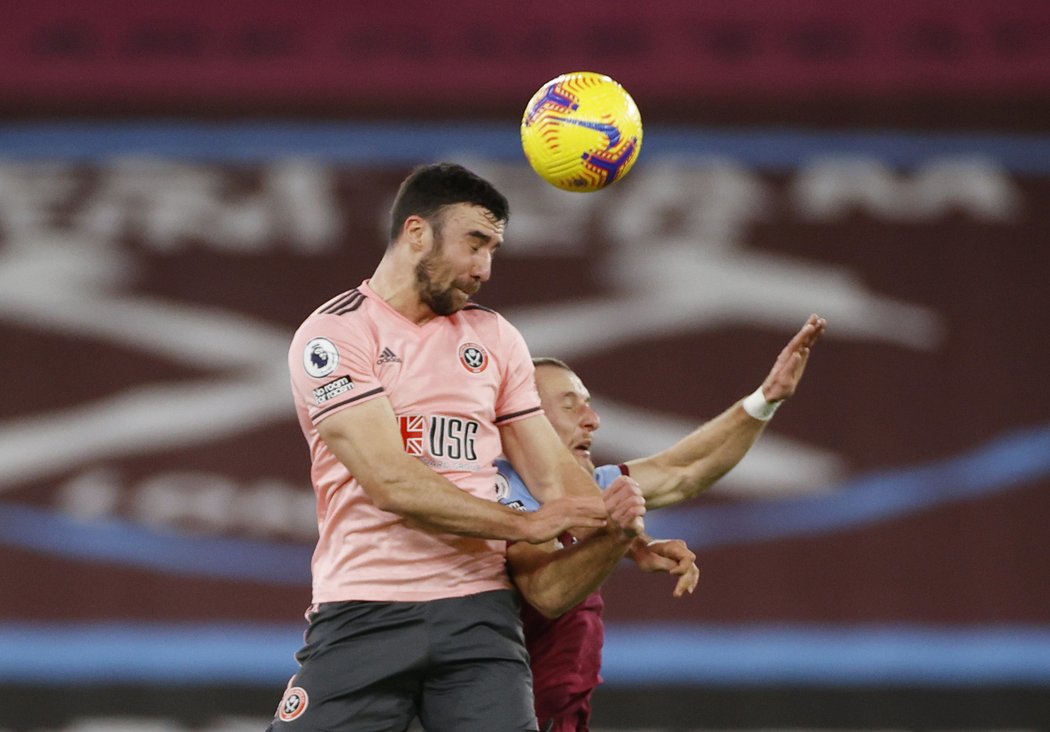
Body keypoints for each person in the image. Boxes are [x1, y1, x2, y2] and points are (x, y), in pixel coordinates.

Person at [270, 163, 632, 732]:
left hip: (479, 617)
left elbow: (554, 474)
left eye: (493, 250)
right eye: (475, 243)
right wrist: (524, 526)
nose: (484, 268)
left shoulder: (494, 337)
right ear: (417, 232)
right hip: (366, 609)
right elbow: (393, 483)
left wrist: (623, 533)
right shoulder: (335, 335)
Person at [499, 314, 827, 731]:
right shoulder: (501, 493)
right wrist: (620, 537)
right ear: (526, 416)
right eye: (570, 404)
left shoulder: (591, 490)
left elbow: (684, 470)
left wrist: (765, 399)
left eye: (589, 403)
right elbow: (546, 592)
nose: (592, 419)